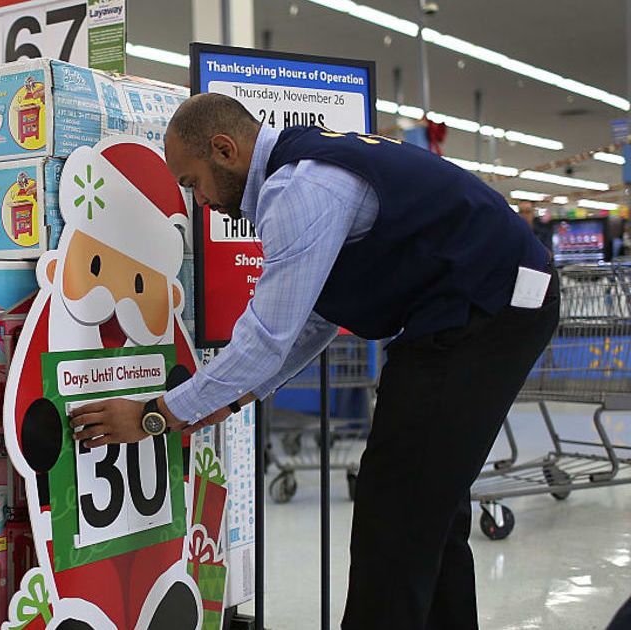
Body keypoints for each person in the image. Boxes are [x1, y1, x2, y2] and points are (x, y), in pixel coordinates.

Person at [68, 92, 560, 630]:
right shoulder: (305, 171)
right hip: (464, 308)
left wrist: (153, 415)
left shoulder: (299, 189)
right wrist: (240, 394)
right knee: (427, 503)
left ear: (225, 149)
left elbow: (266, 338)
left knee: (394, 506)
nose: (198, 201)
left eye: (192, 182)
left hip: (489, 306)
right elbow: (313, 321)